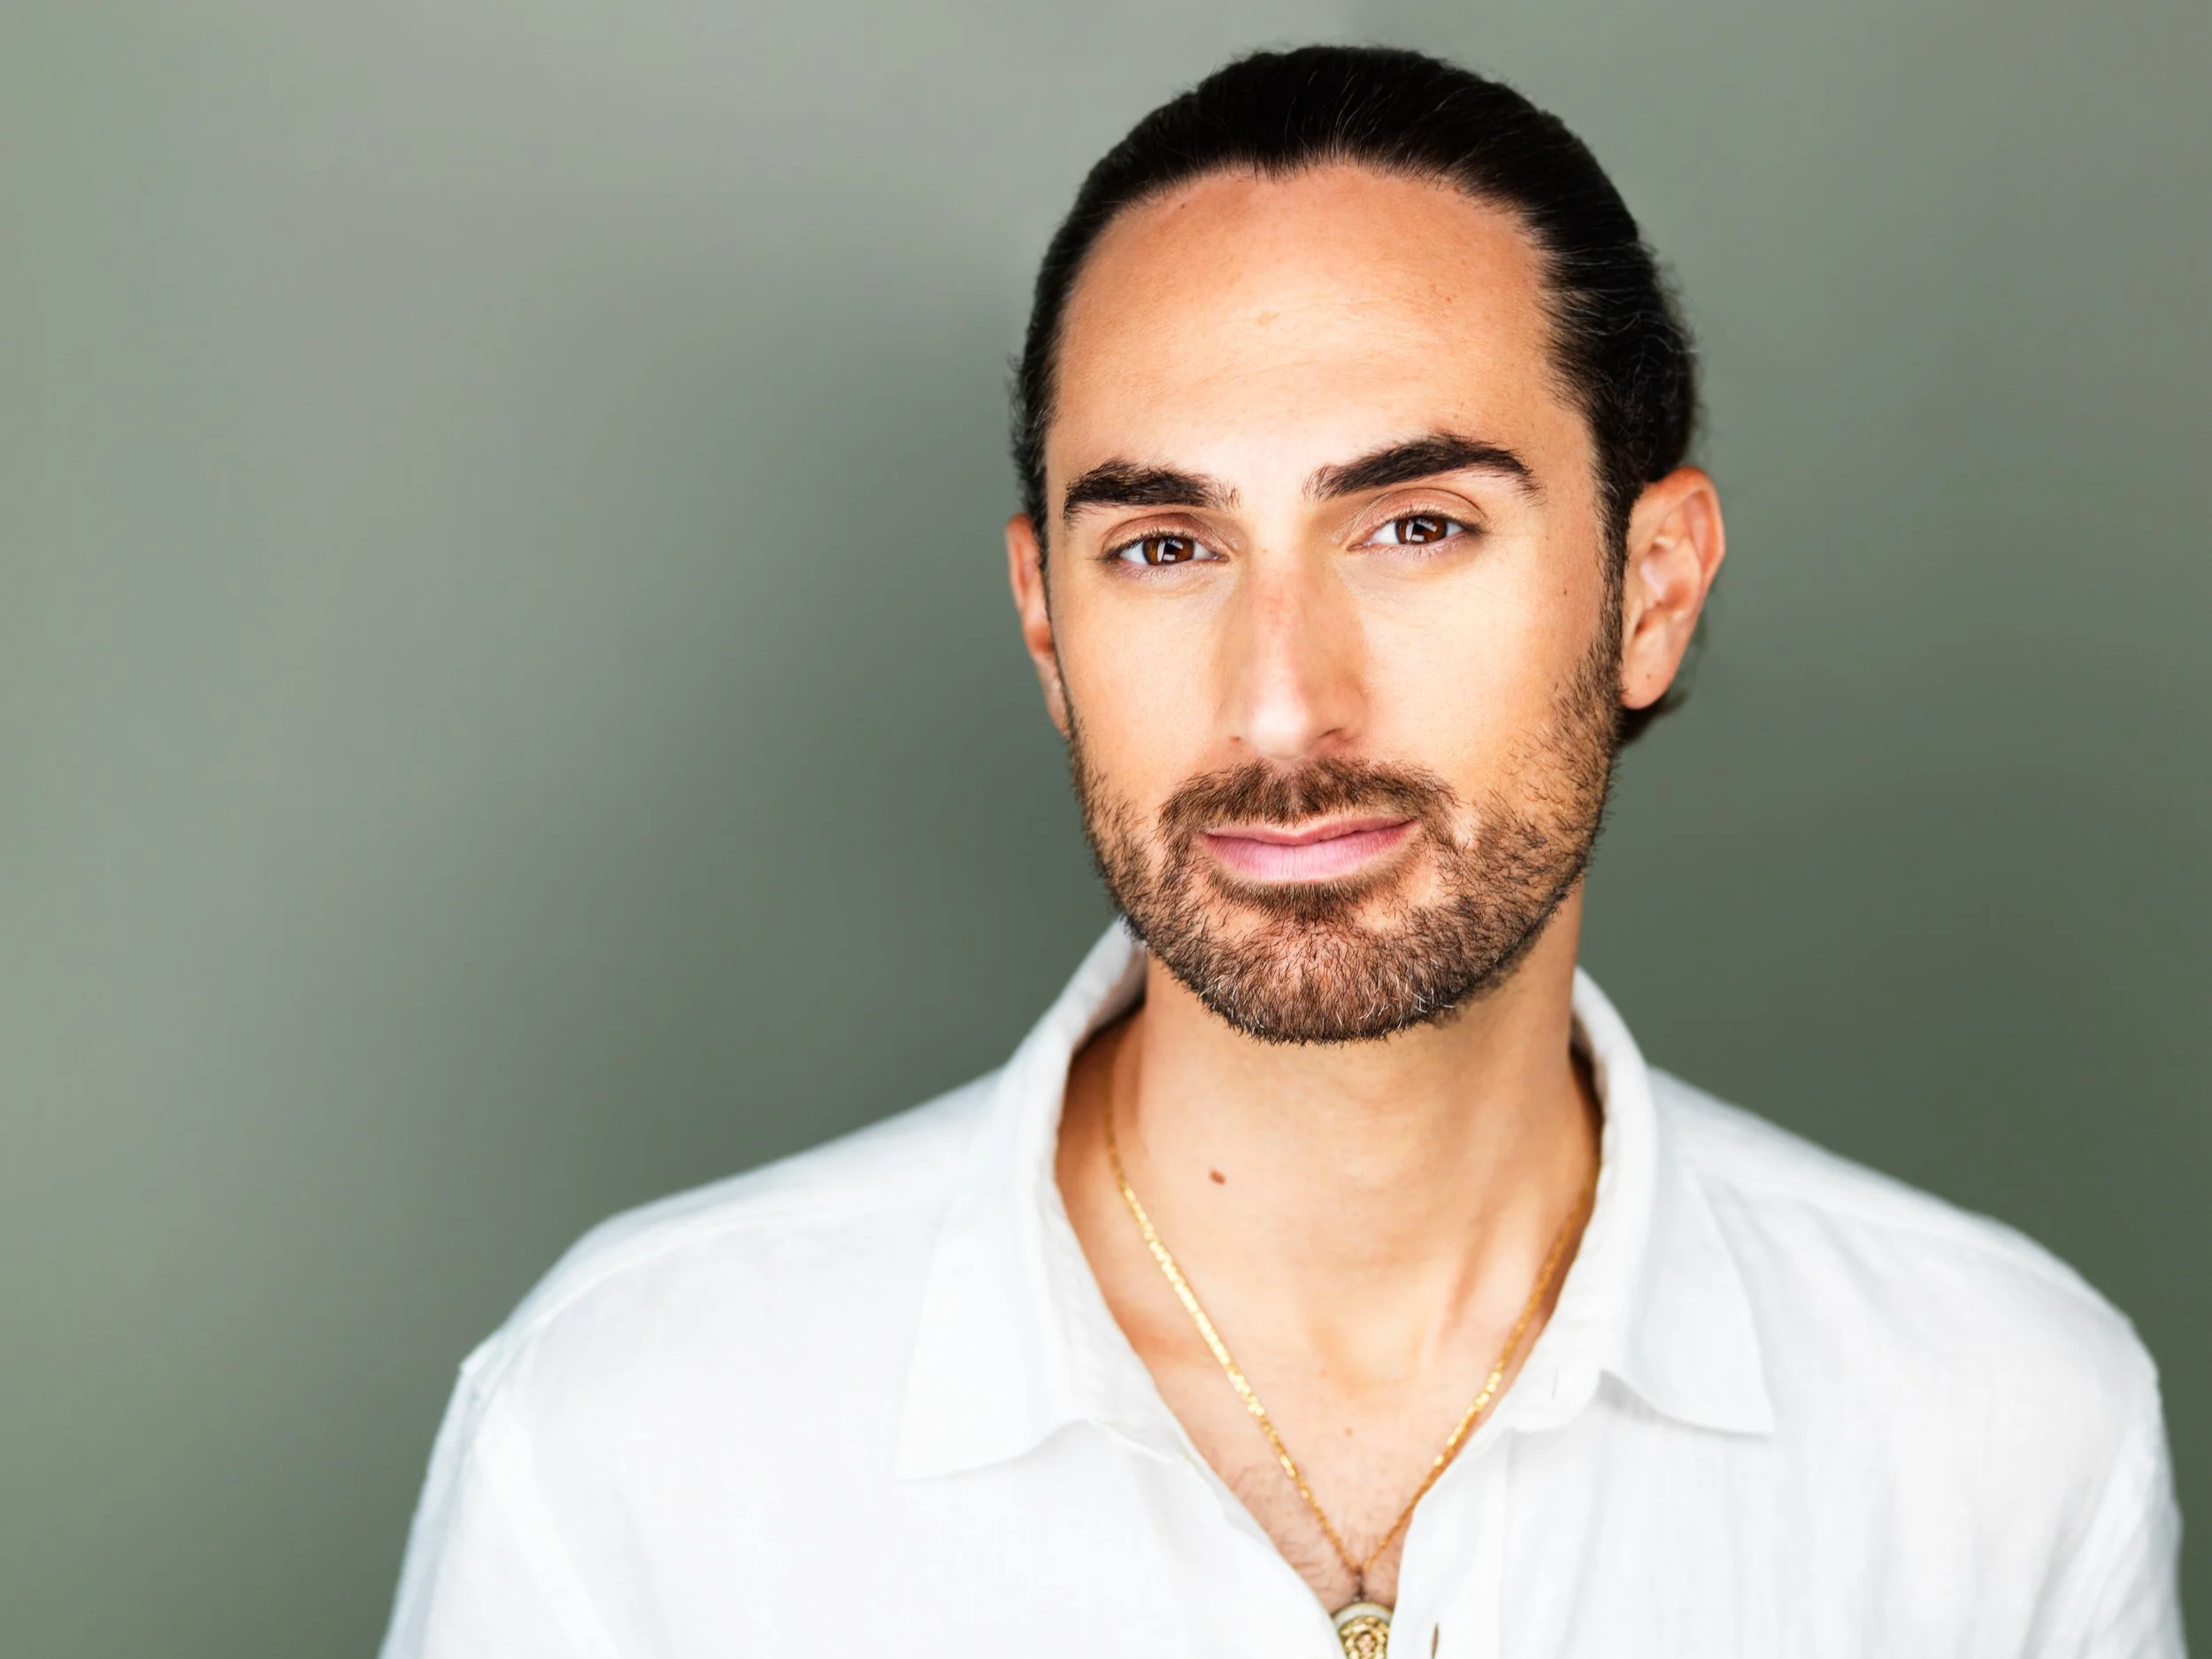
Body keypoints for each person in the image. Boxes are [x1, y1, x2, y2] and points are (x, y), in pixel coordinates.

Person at [378, 45, 2183, 1659]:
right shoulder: (629, 1435)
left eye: (1411, 523)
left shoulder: (2001, 1427)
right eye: (1163, 545)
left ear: (1650, 587)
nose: (1277, 709)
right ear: (1043, 627)